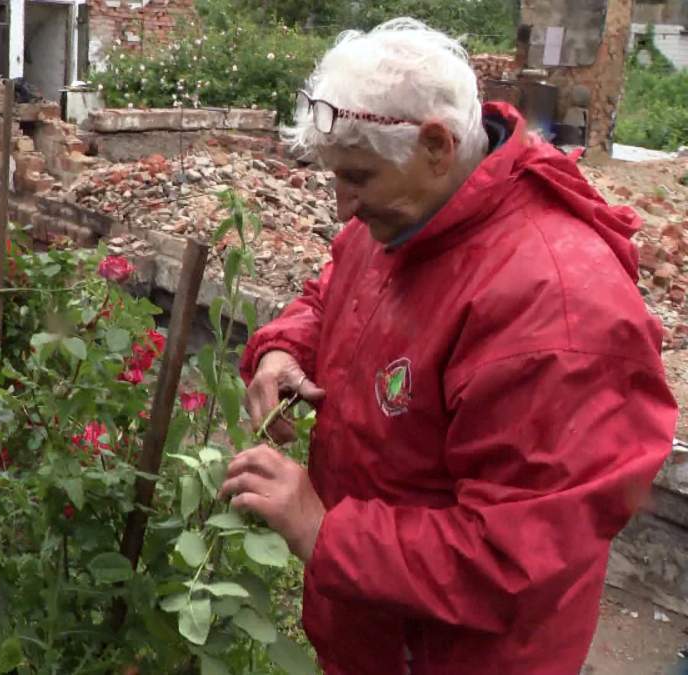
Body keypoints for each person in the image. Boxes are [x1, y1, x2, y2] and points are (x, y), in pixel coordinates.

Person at [219, 19, 677, 674]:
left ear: (436, 143)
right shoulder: (414, 214)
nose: (344, 207)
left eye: (358, 177)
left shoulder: (553, 309)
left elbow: (515, 556)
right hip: (377, 635)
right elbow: (333, 290)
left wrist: (321, 529)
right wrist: (283, 349)